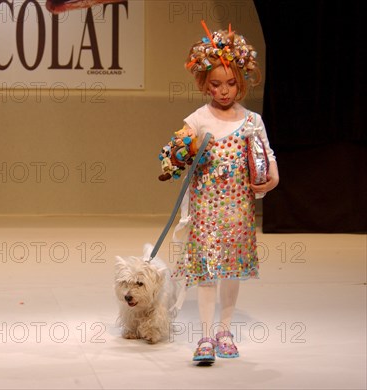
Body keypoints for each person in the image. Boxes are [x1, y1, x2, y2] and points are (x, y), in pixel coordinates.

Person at [168, 23, 279, 364]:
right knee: (206, 272)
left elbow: (267, 158)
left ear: (242, 82)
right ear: (205, 84)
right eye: (216, 84)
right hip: (205, 209)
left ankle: (224, 330)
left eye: (231, 84)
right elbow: (176, 152)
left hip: (238, 208)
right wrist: (180, 153)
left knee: (231, 271)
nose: (224, 91)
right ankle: (203, 335)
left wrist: (270, 180)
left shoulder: (251, 121)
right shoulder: (199, 119)